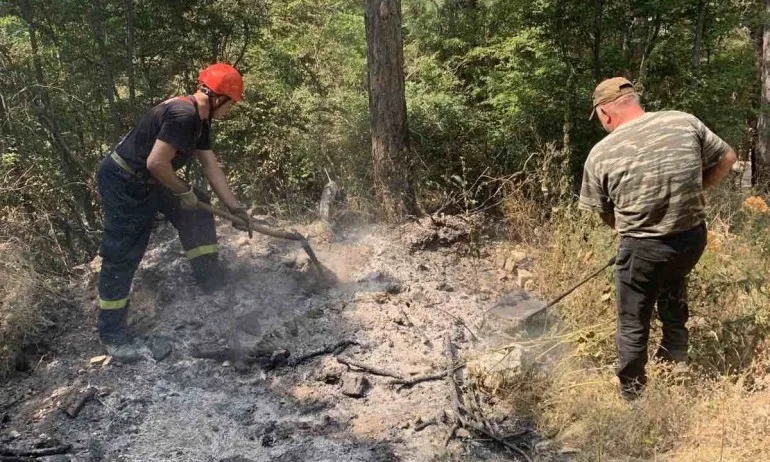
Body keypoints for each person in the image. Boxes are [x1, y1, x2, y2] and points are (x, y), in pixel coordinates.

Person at [579, 77, 737, 400]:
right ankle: (675, 363)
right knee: (671, 282)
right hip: (692, 240)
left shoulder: (601, 154)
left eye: (599, 119)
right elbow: (728, 158)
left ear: (605, 114)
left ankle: (633, 396)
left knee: (633, 320)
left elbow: (604, 212)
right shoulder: (684, 121)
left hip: (644, 250)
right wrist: (693, 192)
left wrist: (634, 231)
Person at [96, 63, 252, 363]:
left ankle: (209, 277)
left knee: (195, 212)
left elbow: (210, 165)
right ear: (219, 98)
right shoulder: (183, 115)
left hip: (151, 179)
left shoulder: (201, 121)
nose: (231, 111)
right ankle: (113, 335)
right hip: (125, 180)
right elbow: (156, 162)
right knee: (124, 252)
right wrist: (184, 192)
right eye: (232, 103)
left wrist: (234, 208)